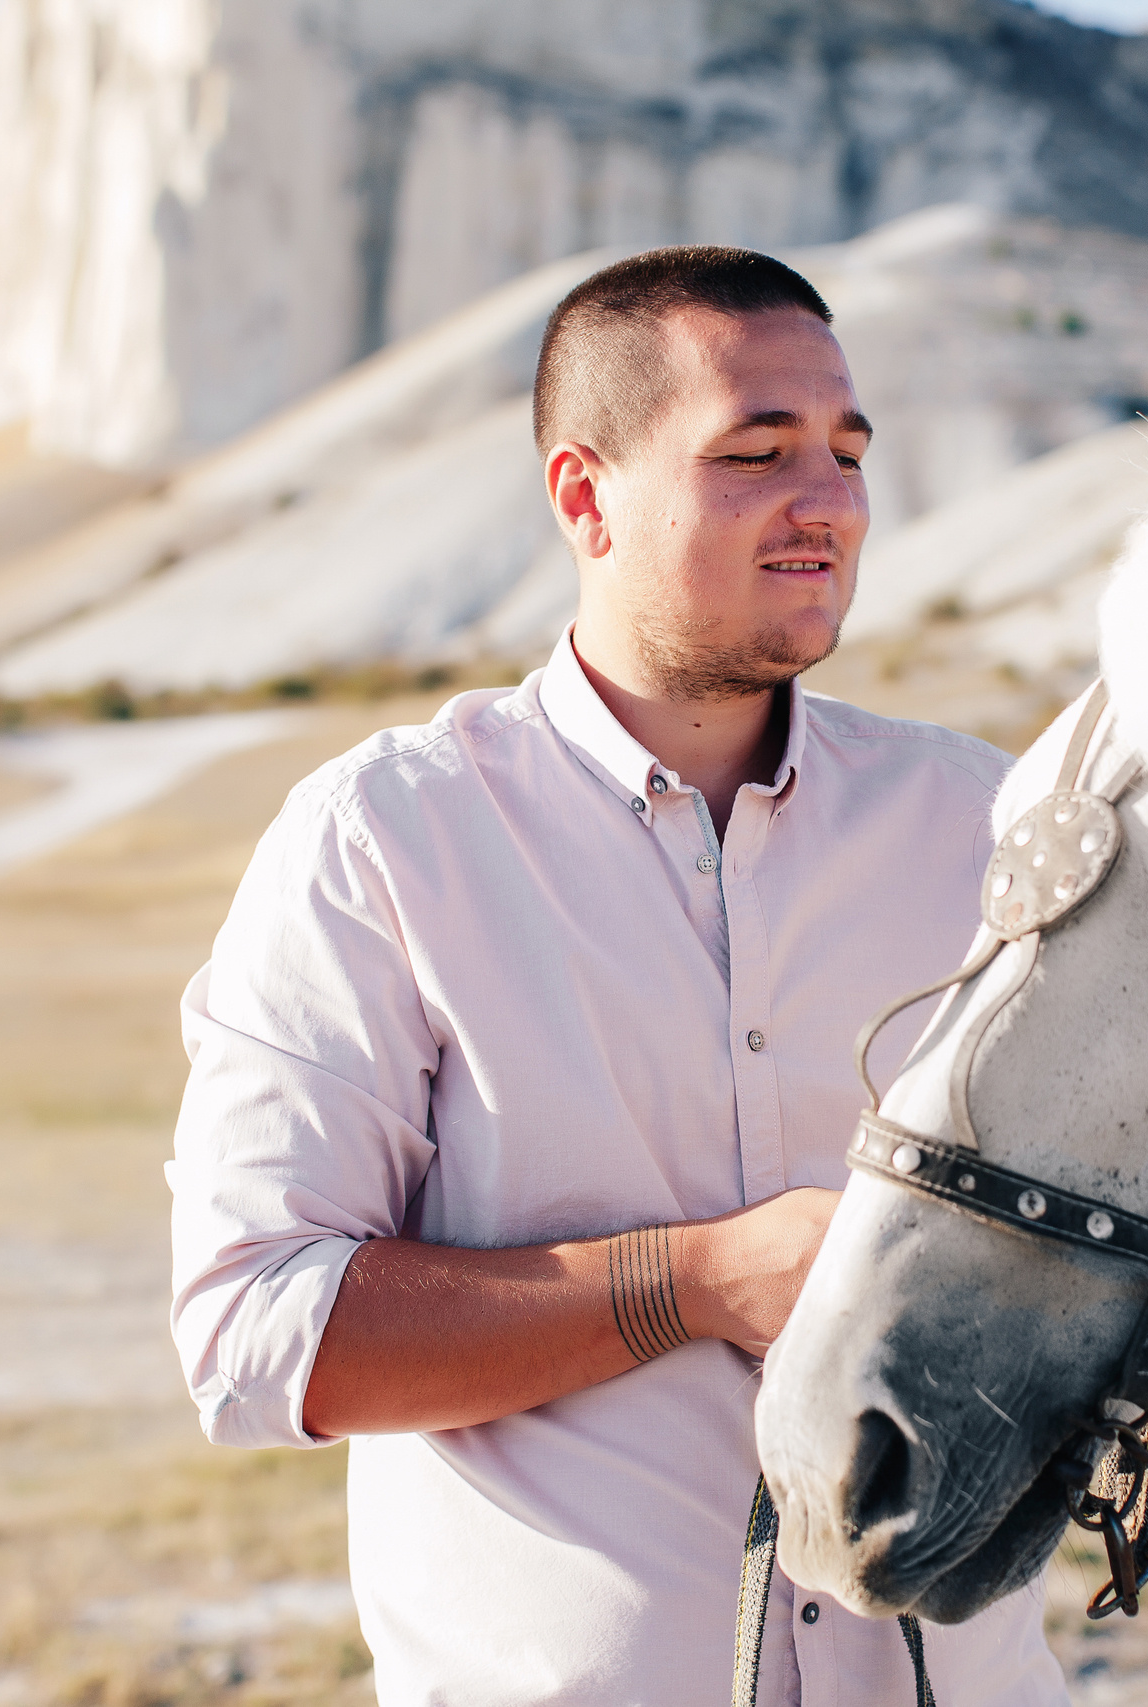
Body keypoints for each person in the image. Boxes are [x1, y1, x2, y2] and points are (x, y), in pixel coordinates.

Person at [168, 247, 1067, 1704]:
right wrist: (690, 1282)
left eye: (847, 453)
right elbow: (256, 1334)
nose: (830, 502)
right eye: (756, 454)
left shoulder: (988, 826)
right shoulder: (387, 842)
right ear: (584, 498)